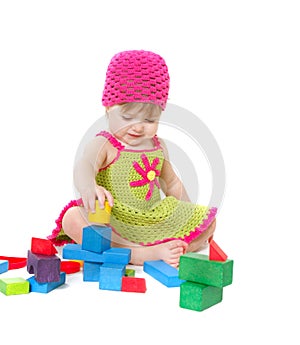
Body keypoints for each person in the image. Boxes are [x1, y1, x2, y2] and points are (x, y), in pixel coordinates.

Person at [48, 50, 217, 267]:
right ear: (108, 108)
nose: (137, 126)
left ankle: (177, 248)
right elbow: (85, 165)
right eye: (127, 117)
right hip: (112, 218)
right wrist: (89, 187)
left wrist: (187, 219)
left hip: (150, 217)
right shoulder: (105, 144)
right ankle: (141, 255)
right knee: (71, 218)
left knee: (208, 221)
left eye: (149, 119)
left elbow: (172, 182)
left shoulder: (158, 146)